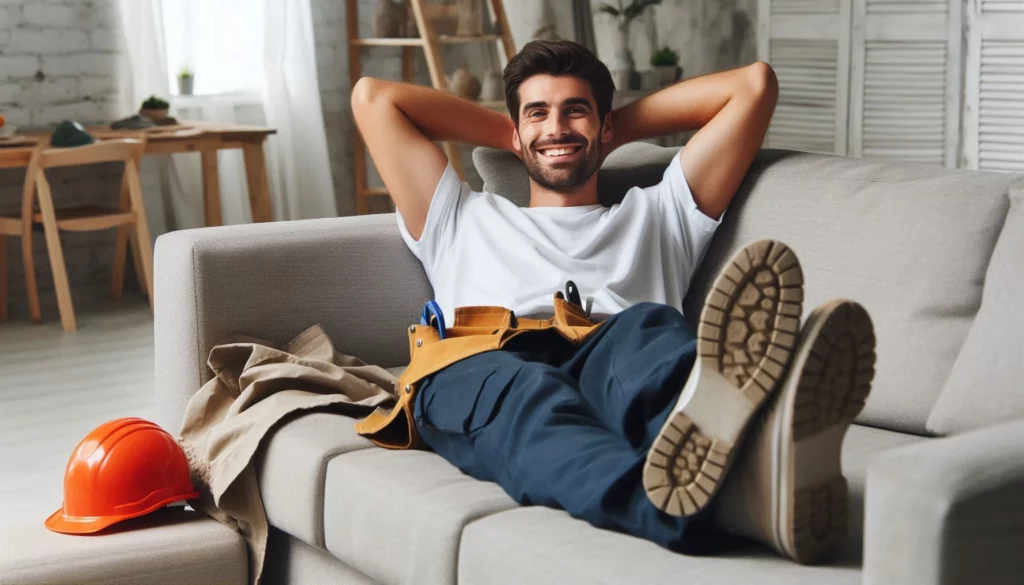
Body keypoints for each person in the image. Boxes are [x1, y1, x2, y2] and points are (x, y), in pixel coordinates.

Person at [351, 40, 875, 565]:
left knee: (646, 331)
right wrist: (522, 132)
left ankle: (748, 437)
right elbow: (374, 99)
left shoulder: (661, 214)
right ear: (515, 131)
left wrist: (600, 129)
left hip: (609, 349)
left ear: (606, 127)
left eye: (574, 110)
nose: (556, 127)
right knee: (529, 396)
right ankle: (693, 502)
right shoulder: (459, 216)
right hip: (482, 357)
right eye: (538, 112)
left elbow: (753, 86)